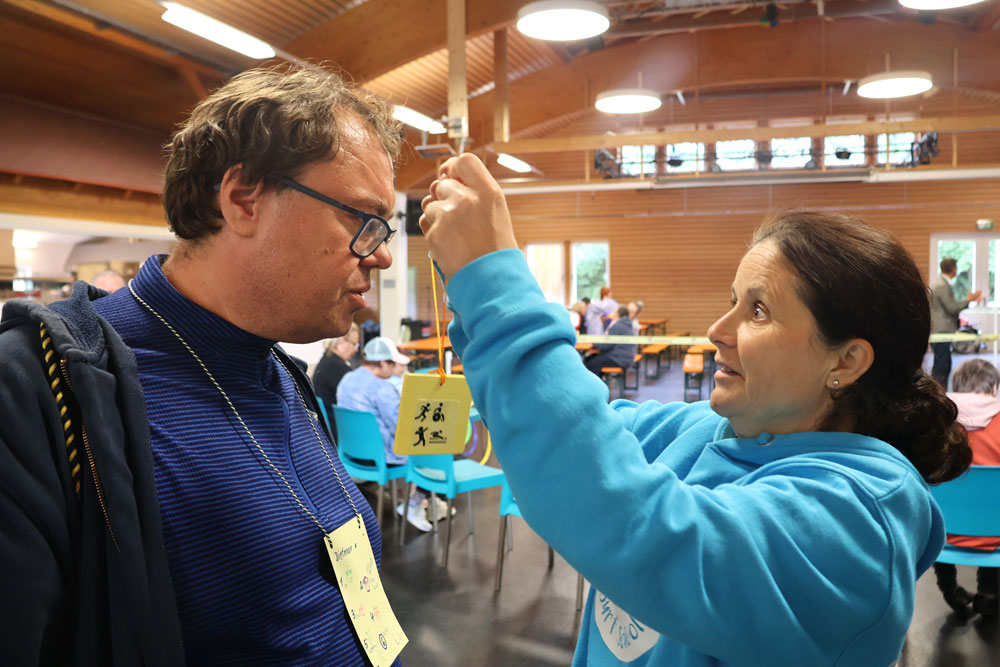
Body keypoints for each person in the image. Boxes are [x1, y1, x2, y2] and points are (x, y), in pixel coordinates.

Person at [420, 154, 971, 665]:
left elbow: (637, 527)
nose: (717, 330)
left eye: (758, 310)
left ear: (846, 361)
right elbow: (560, 437)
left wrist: (491, 277)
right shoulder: (717, 431)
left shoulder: (857, 523)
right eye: (732, 301)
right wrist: (467, 285)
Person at [0, 65, 405, 665]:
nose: (384, 256)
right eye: (362, 220)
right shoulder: (34, 390)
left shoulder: (281, 373)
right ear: (243, 199)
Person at [337, 337, 449, 531]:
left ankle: (423, 500)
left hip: (352, 455)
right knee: (437, 446)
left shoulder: (346, 379)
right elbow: (402, 426)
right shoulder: (382, 388)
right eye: (393, 364)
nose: (395, 370)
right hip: (381, 458)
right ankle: (416, 503)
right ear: (382, 363)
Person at [933, 358, 1000, 616]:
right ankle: (989, 593)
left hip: (939, 534)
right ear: (993, 388)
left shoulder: (933, 423)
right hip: (996, 534)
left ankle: (950, 590)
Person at [930, 257, 981, 388]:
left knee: (944, 364)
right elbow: (951, 307)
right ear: (954, 269)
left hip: (941, 331)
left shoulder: (942, 284)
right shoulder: (942, 285)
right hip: (941, 331)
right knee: (942, 366)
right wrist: (969, 300)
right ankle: (938, 394)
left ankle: (940, 393)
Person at [312, 321, 361, 407]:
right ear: (342, 340)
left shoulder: (326, 359)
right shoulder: (338, 369)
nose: (356, 349)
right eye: (354, 344)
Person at [583, 305, 637, 377]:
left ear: (617, 314)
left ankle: (594, 383)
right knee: (592, 358)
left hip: (619, 358)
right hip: (625, 357)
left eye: (614, 312)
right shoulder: (625, 324)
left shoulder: (618, 325)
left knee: (591, 363)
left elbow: (607, 345)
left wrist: (593, 342)